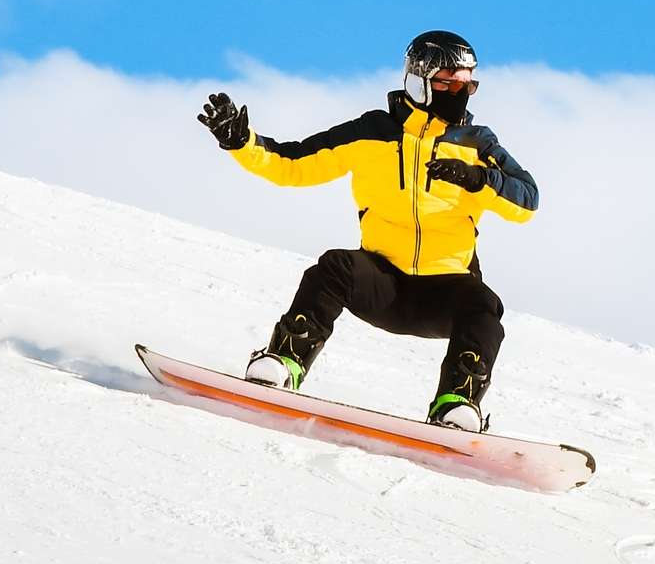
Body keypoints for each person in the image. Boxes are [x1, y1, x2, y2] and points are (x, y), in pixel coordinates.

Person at [197, 30, 538, 432]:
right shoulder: (372, 132)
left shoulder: (477, 144)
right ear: (420, 81)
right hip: (384, 286)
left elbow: (527, 201)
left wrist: (478, 179)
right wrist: (242, 142)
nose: (458, 92)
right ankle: (284, 361)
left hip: (443, 293)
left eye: (467, 84)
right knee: (334, 266)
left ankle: (455, 405)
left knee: (484, 304)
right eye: (447, 81)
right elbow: (293, 163)